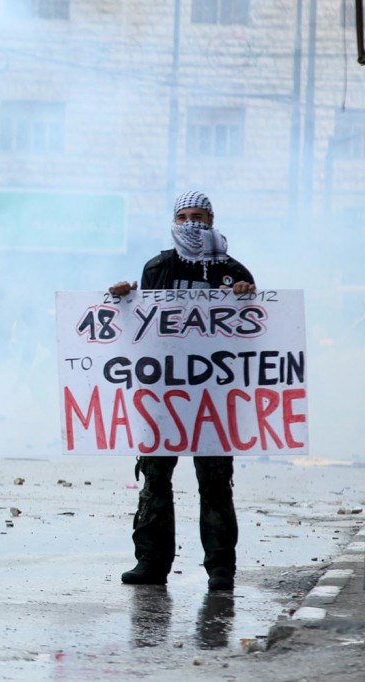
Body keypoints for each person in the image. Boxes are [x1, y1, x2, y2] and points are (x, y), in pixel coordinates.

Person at [108, 190, 255, 592]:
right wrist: (123, 300)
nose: (193, 223)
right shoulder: (159, 267)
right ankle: (151, 563)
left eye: (200, 216)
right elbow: (140, 327)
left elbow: (255, 334)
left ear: (212, 219)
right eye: (185, 216)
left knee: (214, 481)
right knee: (155, 479)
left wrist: (246, 295)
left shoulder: (234, 270)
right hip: (164, 395)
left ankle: (221, 568)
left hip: (214, 398)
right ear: (174, 221)